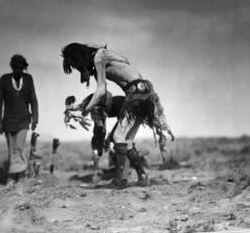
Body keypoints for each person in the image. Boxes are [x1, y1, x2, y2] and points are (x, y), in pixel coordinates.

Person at [62, 43, 174, 187]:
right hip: (144, 92)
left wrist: (84, 111)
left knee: (118, 138)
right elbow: (101, 96)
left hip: (136, 94)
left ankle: (118, 181)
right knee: (126, 142)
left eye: (75, 65)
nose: (78, 69)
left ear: (78, 58)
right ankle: (142, 176)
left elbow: (101, 92)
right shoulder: (104, 56)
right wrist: (78, 107)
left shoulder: (99, 56)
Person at [0, 54, 39, 181]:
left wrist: (35, 119)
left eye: (20, 68)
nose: (18, 71)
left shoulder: (28, 79)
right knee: (11, 150)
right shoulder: (4, 80)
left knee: (19, 148)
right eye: (15, 68)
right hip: (8, 121)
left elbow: (33, 99)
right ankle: (11, 176)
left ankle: (20, 176)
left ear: (24, 68)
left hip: (23, 120)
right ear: (12, 67)